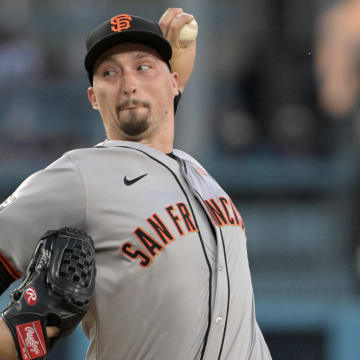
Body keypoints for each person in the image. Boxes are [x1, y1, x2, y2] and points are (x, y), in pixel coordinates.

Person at [0, 8, 272, 360]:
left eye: (143, 67)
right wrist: (12, 338)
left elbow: (158, 117)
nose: (128, 83)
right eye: (109, 73)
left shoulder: (197, 172)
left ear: (174, 82)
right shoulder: (80, 176)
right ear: (93, 97)